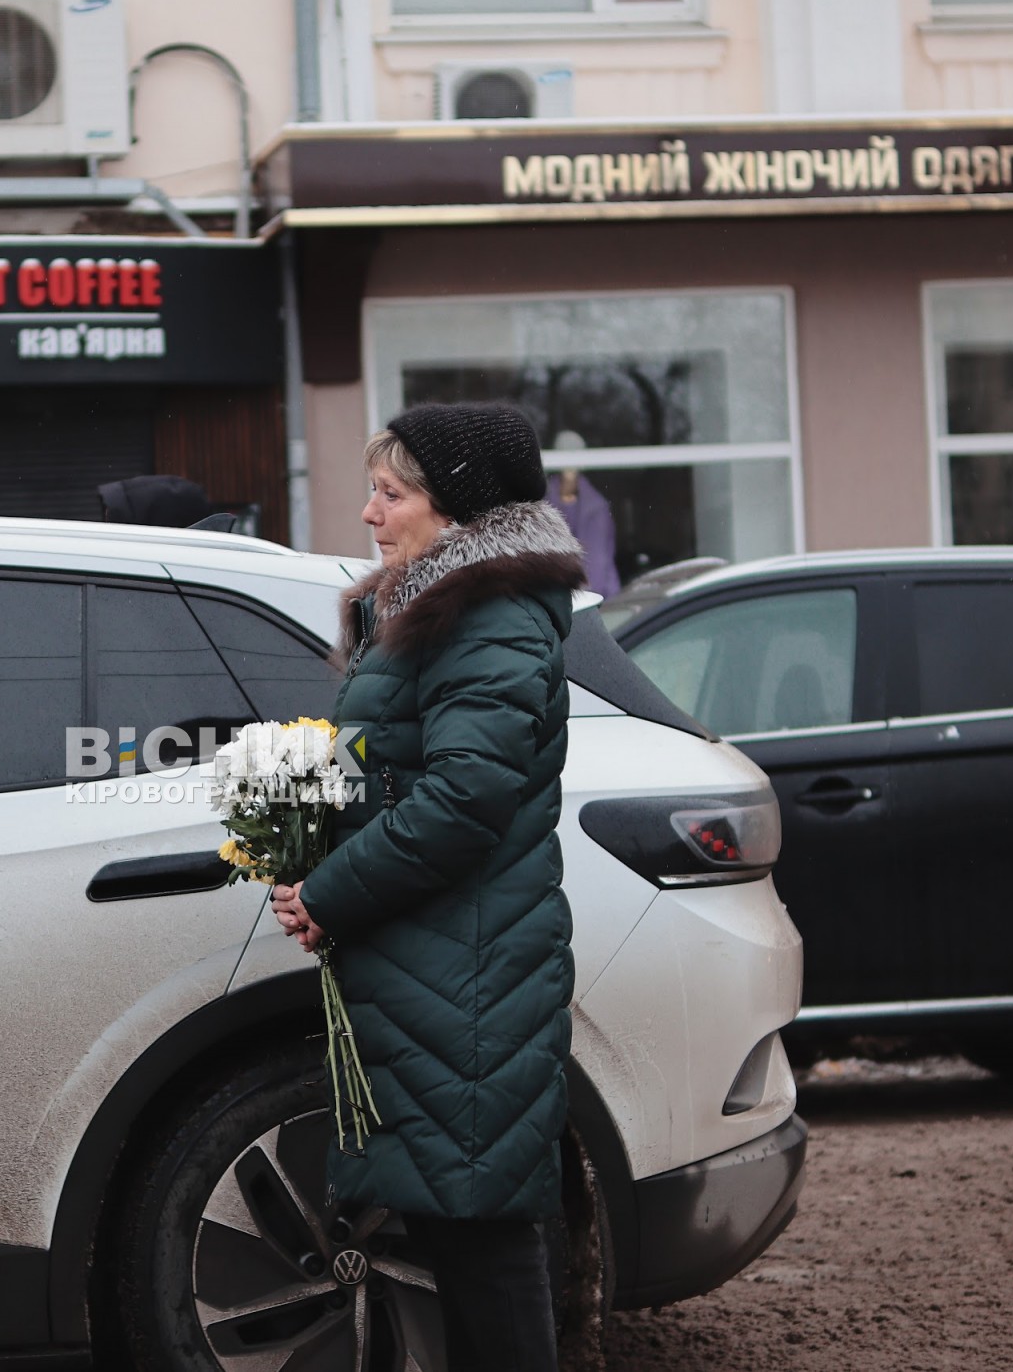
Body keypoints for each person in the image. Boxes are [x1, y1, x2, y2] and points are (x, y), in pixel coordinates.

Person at [273, 402, 585, 1372]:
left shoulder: (483, 614)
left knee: (482, 1234)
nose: (368, 513)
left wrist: (330, 890)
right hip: (441, 965)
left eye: (390, 492)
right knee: (462, 1227)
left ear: (458, 510)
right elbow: (407, 772)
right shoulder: (438, 605)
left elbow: (460, 800)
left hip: (467, 973)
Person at [545, 429, 621, 597]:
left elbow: (604, 561)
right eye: (565, 456)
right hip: (555, 600)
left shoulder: (597, 508)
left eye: (575, 456)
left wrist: (610, 599)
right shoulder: (543, 505)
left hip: (594, 600)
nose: (570, 466)